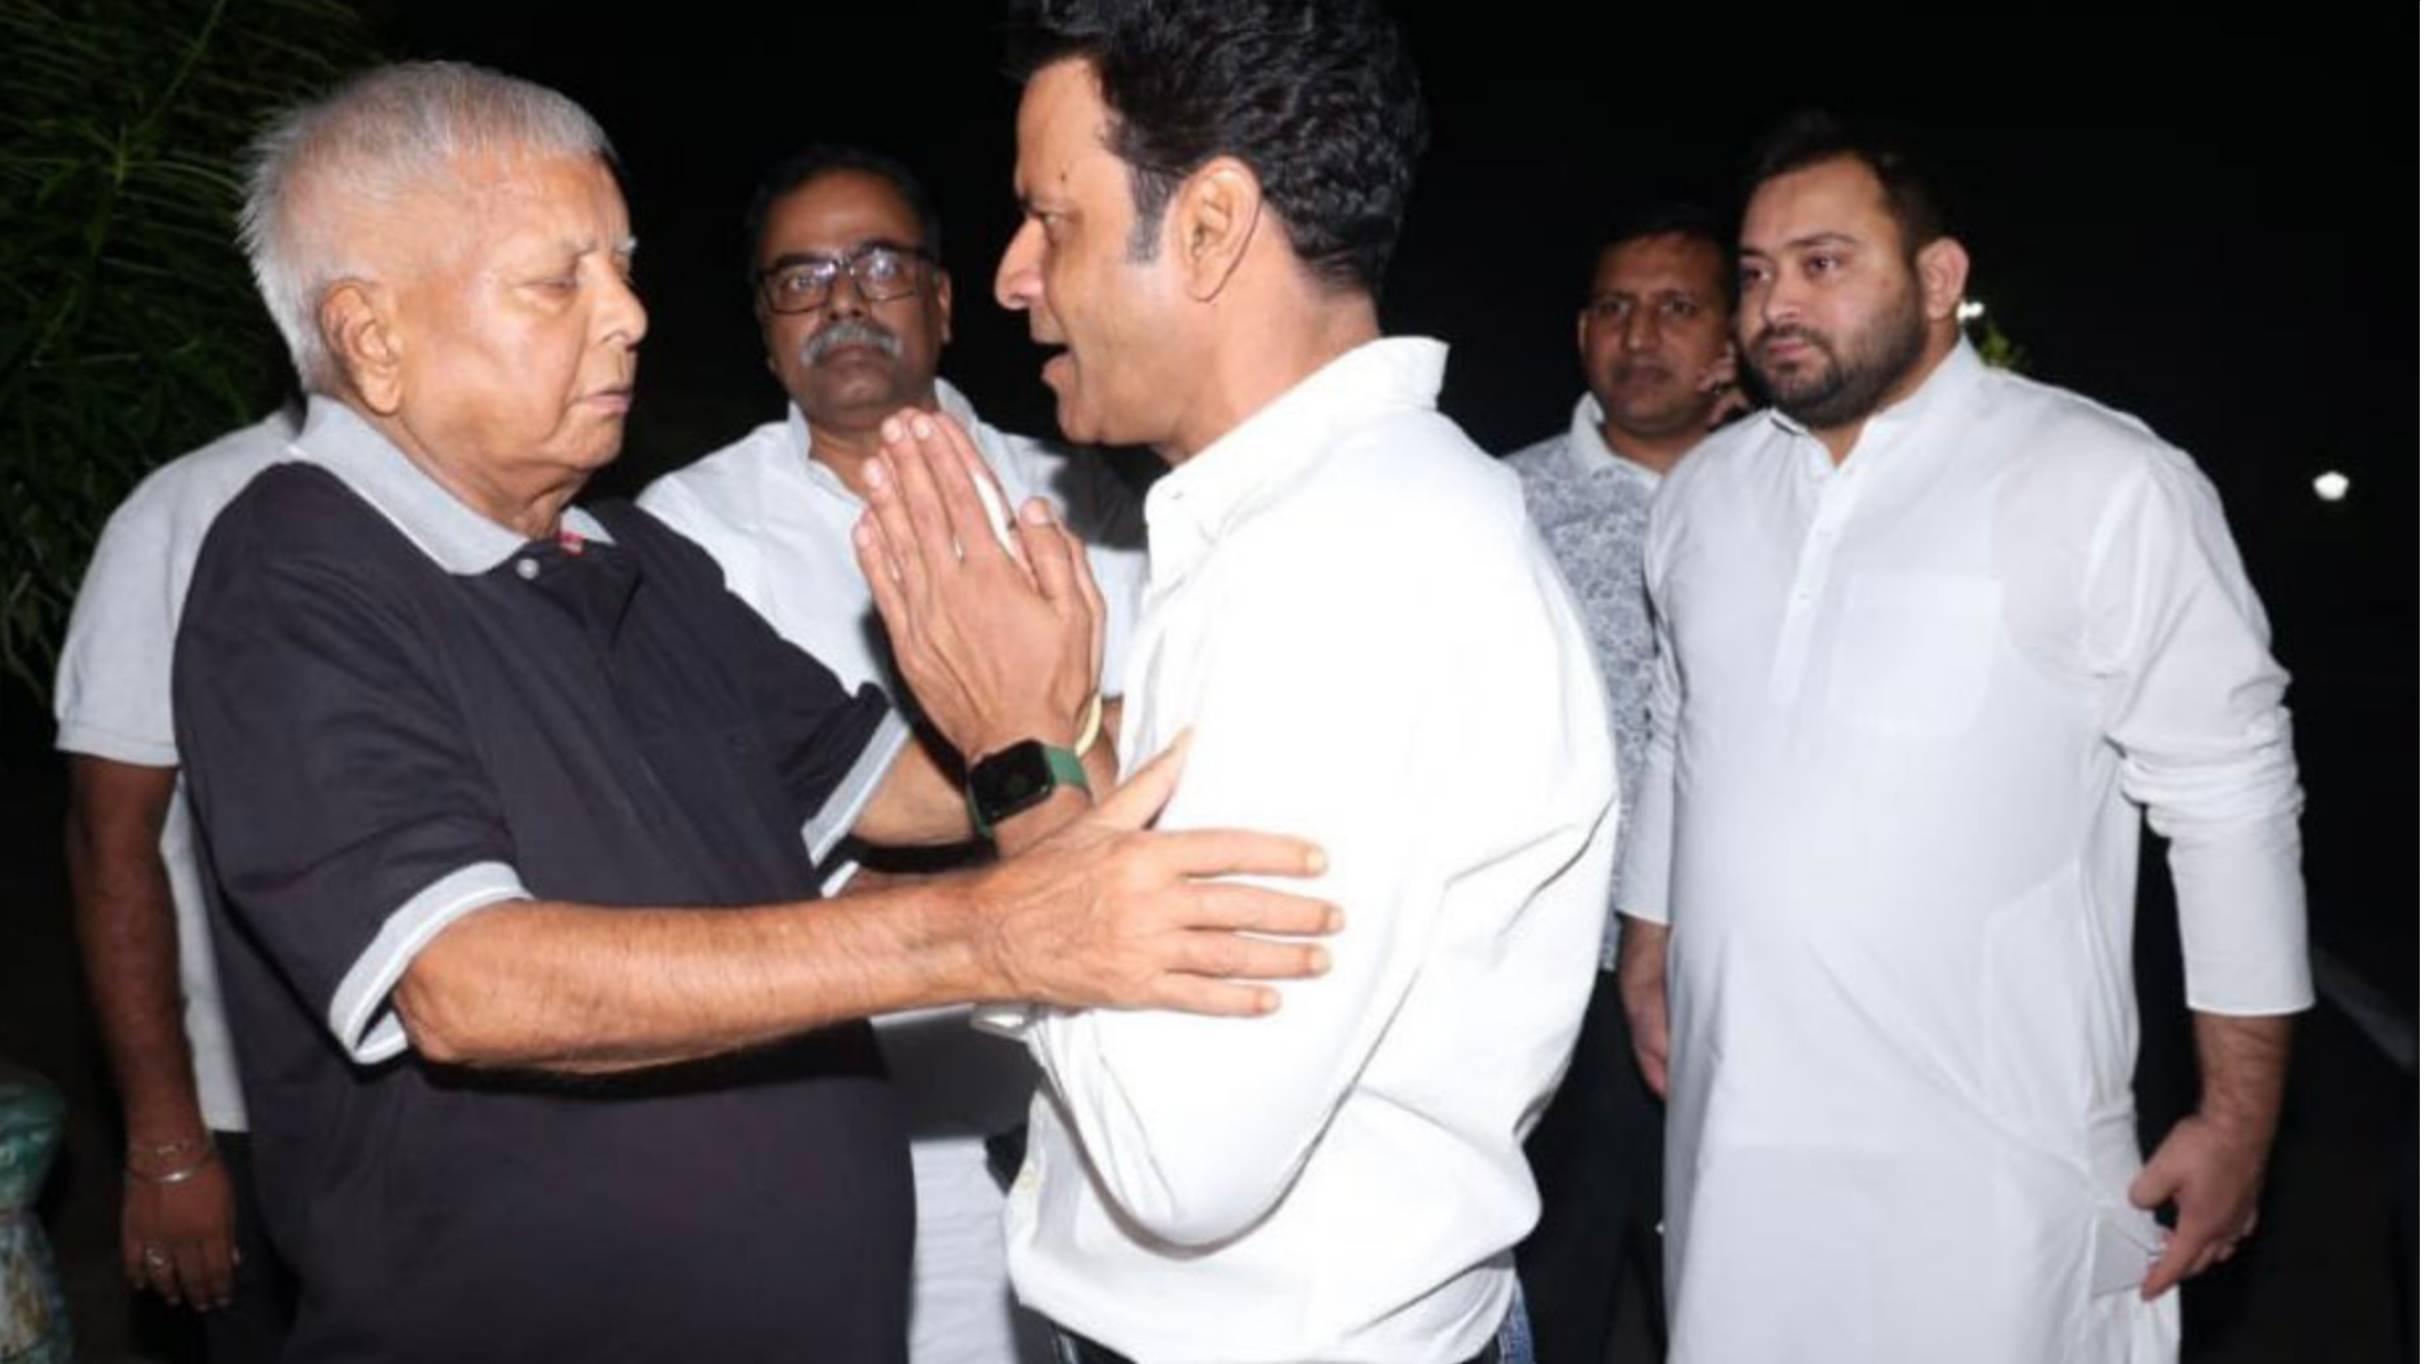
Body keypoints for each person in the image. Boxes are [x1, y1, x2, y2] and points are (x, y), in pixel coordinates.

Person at [170, 60, 1336, 1362]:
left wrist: (1128, 695)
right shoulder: (294, 574)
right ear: (374, 339)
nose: (629, 316)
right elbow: (468, 980)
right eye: (558, 282)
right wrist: (998, 933)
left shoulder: (629, 558)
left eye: (622, 268)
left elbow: (906, 788)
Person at [848, 3, 1616, 1359]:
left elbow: (1181, 1155)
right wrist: (1063, 734)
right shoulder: (1299, 521)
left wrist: (1020, 752)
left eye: (1054, 221)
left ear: (1208, 227)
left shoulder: (1351, 564)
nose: (1015, 275)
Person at [1615, 112, 2310, 1363]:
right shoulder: (1706, 495)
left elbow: (2233, 797)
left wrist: (2238, 1116)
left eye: (1824, 263)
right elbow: (1680, 726)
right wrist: (1648, 936)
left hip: (1998, 1176)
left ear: (1939, 279)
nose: (1777, 304)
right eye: (1758, 272)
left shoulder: (2102, 480)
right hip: (1737, 1154)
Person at [639, 144, 1146, 1364]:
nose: (844, 300)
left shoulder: (1078, 497)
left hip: (1096, 1108)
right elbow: (717, 856)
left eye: (879, 265)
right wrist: (1041, 815)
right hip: (845, 1121)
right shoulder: (687, 535)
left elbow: (1157, 753)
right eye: (801, 278)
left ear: (945, 298)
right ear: (766, 330)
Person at [1502, 204, 1739, 1364]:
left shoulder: (1788, 494)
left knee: (1747, 1291)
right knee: (1561, 1290)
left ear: (1733, 339)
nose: (1640, 335)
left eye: (1677, 307)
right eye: (1614, 307)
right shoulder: (1501, 503)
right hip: (1559, 983)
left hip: (1752, 969)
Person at [57, 412, 303, 1360]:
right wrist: (167, 1143)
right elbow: (110, 842)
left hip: (466, 1108)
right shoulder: (189, 509)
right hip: (252, 1113)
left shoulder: (519, 508)